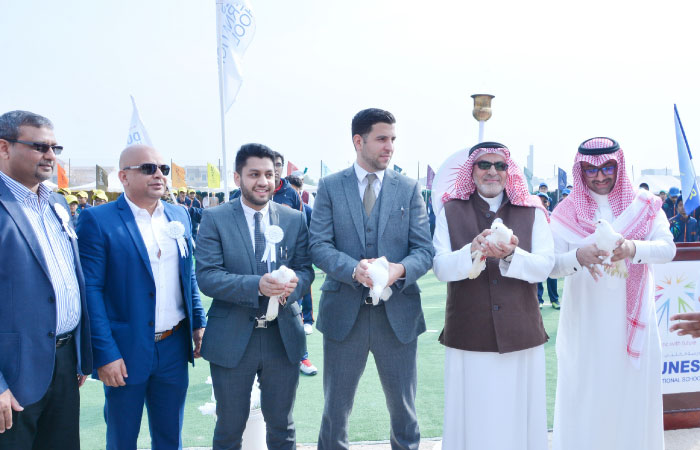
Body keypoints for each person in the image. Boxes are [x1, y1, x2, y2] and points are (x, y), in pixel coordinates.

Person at [309, 108, 433, 450]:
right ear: (358, 141)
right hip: (343, 315)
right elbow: (317, 244)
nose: (390, 146)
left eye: (393, 139)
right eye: (382, 138)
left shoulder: (408, 189)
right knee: (335, 412)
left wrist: (399, 270)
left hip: (398, 317)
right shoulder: (330, 187)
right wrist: (353, 269)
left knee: (404, 412)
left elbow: (424, 250)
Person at [76, 144, 206, 449]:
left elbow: (187, 276)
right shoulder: (98, 220)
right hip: (125, 349)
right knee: (122, 438)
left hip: (174, 345)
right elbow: (90, 290)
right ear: (123, 176)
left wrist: (199, 323)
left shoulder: (179, 215)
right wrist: (105, 353)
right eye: (148, 168)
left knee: (170, 437)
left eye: (163, 169)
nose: (158, 174)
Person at [549, 137, 675, 450]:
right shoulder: (565, 212)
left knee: (632, 398)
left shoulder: (644, 206)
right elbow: (551, 266)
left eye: (607, 167)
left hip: (633, 324)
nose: (600, 176)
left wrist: (632, 248)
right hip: (585, 326)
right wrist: (579, 257)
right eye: (591, 169)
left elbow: (667, 248)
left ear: (618, 165)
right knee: (587, 397)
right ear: (580, 171)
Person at [432, 142, 554, 450]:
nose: (492, 172)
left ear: (508, 172)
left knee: (518, 420)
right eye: (484, 165)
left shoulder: (531, 212)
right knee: (471, 419)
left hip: (520, 334)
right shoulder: (451, 211)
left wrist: (512, 254)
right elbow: (441, 267)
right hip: (468, 334)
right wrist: (472, 250)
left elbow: (544, 267)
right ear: (471, 172)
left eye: (500, 166)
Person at [195, 143, 314, 450]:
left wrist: (294, 284)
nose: (263, 181)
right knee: (230, 427)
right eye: (254, 174)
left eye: (270, 174)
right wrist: (256, 285)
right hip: (233, 338)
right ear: (238, 178)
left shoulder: (293, 218)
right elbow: (208, 277)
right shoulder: (215, 218)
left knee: (282, 427)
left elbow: (305, 270)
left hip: (282, 337)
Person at [0, 110, 92, 449]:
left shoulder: (56, 203)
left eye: (55, 148)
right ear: (4, 148)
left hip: (64, 363)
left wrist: (79, 354)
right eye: (39, 146)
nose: (50, 156)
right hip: (13, 371)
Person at [286, 173, 318, 374]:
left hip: (299, 265)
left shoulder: (306, 211)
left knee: (299, 302)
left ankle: (302, 356)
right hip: (277, 268)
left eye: (299, 192)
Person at [535, 193, 560, 309]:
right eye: (539, 200)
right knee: (537, 277)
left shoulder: (552, 216)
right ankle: (539, 300)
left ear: (548, 203)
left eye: (544, 201)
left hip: (551, 251)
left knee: (552, 277)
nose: (542, 203)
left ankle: (554, 300)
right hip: (536, 251)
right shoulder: (531, 215)